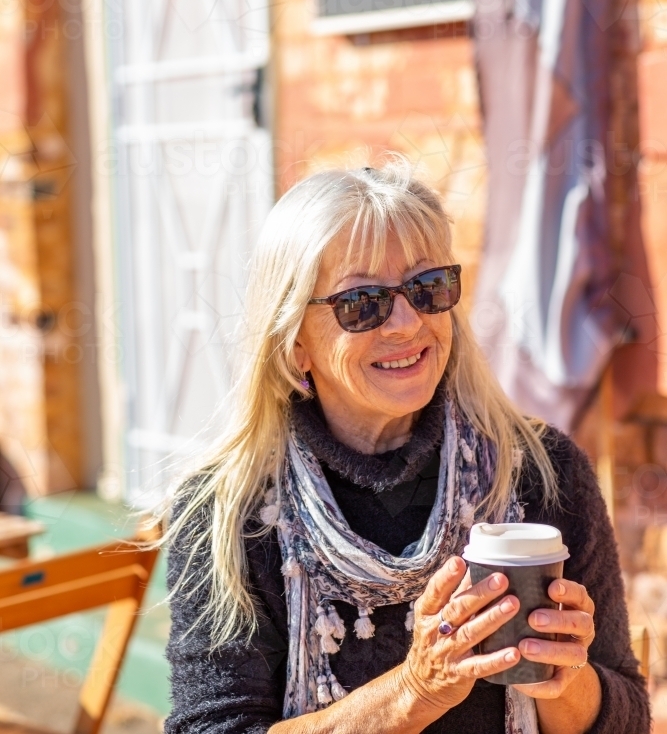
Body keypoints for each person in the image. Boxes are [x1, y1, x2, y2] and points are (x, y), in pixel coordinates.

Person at [165, 161, 648, 734]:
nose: (405, 323)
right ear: (295, 343)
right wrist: (415, 691)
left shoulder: (540, 471)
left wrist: (563, 679)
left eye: (428, 288)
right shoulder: (229, 513)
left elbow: (627, 716)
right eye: (362, 302)